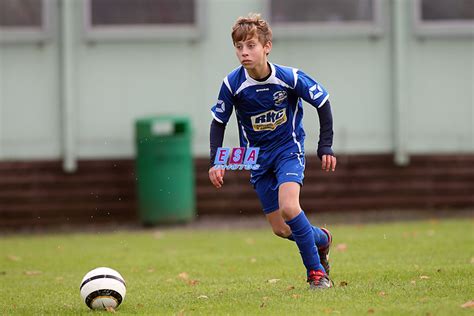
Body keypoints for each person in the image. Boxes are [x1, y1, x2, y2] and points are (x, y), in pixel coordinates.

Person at [208, 13, 337, 290]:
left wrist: (324, 145)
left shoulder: (289, 77)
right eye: (239, 47)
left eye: (251, 45)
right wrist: (217, 161)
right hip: (255, 158)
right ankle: (322, 239)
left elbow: (323, 101)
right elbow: (218, 122)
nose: (244, 52)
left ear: (267, 46)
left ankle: (317, 274)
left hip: (288, 149)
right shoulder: (232, 84)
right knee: (281, 229)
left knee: (291, 207)